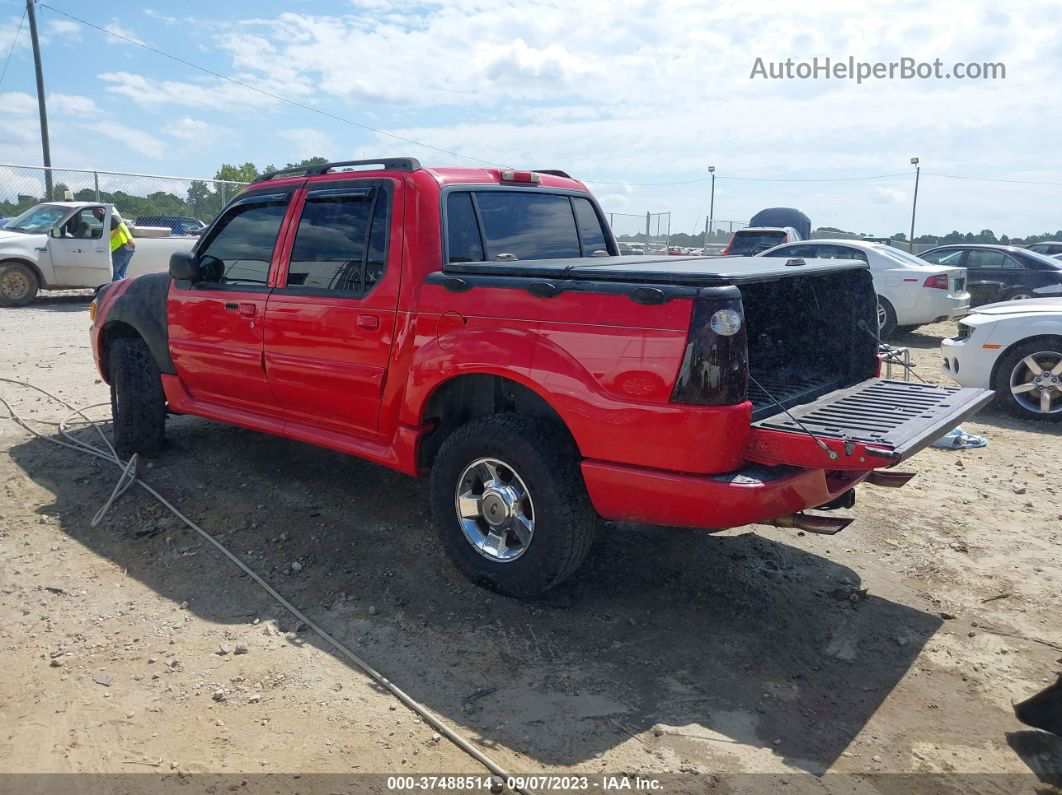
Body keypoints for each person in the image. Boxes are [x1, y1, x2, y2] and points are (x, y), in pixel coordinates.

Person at [94, 206, 135, 281]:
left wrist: (130, 239)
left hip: (120, 248)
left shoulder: (111, 217)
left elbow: (122, 227)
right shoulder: (109, 219)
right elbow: (115, 231)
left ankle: (120, 290)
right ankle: (124, 289)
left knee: (114, 273)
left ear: (100, 211)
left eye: (95, 214)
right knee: (121, 273)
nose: (95, 217)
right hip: (127, 248)